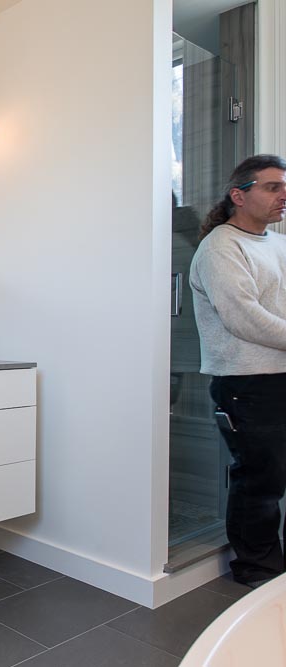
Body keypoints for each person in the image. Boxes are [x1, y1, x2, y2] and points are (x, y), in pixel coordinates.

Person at [190, 154, 286, 588]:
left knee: (275, 476)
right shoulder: (220, 248)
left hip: (280, 376)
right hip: (245, 385)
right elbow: (244, 317)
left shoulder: (277, 244)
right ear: (238, 195)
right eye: (272, 187)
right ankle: (257, 571)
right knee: (259, 479)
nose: (283, 195)